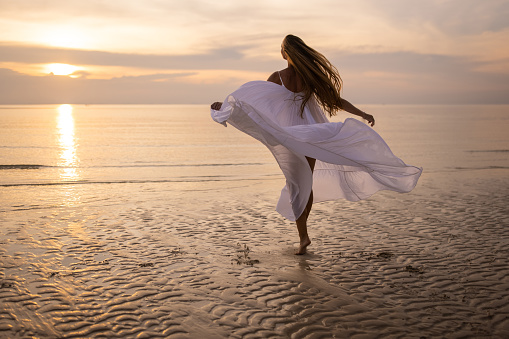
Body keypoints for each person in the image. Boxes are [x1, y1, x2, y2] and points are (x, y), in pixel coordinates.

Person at [211, 35, 421, 255]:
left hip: (289, 137)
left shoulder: (277, 77)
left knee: (297, 184)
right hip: (311, 135)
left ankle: (303, 237)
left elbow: (255, 104)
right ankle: (303, 236)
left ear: (285, 53)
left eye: (281, 49)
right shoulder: (310, 78)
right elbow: (335, 100)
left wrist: (225, 107)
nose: (280, 52)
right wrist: (362, 113)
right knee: (305, 182)